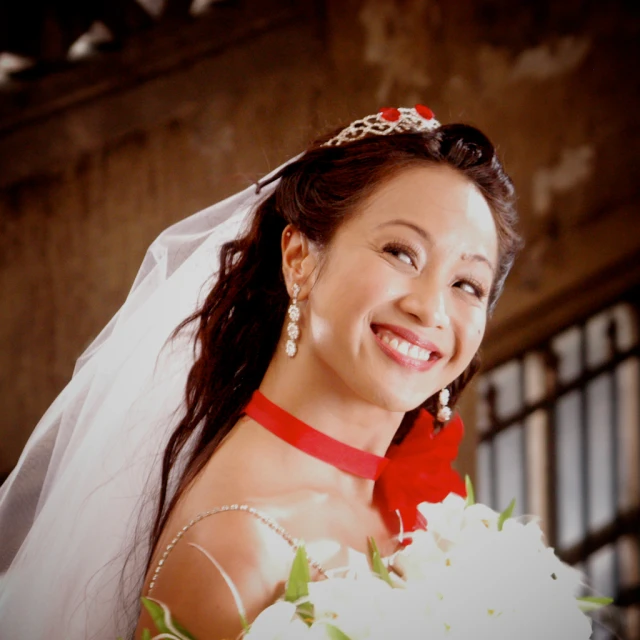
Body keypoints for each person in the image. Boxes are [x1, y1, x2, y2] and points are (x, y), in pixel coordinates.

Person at [0, 105, 520, 640]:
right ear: (299, 258)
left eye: (467, 285)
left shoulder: (417, 506)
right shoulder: (231, 556)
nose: (430, 309)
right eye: (401, 253)